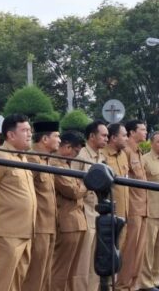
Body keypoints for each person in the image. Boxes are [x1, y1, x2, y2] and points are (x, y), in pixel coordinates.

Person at [0, 114, 37, 291]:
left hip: (25, 232)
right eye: (24, 130)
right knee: (0, 283)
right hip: (7, 234)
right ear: (10, 135)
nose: (29, 134)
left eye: (29, 130)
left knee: (17, 283)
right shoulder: (0, 156)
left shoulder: (22, 157)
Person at [71, 119, 109, 290]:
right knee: (83, 264)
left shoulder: (102, 157)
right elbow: (75, 187)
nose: (106, 139)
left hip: (99, 214)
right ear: (92, 136)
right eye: (103, 135)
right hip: (85, 214)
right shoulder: (81, 158)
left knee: (96, 261)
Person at [22, 121, 60, 291]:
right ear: (45, 139)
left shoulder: (46, 160)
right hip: (38, 226)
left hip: (50, 225)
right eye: (56, 136)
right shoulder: (32, 159)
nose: (59, 140)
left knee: (45, 274)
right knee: (34, 274)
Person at [51, 131, 88, 291]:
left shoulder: (65, 164)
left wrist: (80, 186)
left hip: (76, 220)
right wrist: (85, 184)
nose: (76, 155)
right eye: (76, 151)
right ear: (67, 147)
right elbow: (73, 191)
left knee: (71, 270)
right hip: (67, 222)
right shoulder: (56, 164)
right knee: (60, 269)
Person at [138, 132, 159, 291]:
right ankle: (145, 283)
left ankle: (156, 280)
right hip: (150, 211)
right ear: (151, 143)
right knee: (148, 248)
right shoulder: (144, 160)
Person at [116, 119, 149, 291]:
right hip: (133, 207)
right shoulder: (126, 152)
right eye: (142, 130)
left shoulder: (139, 152)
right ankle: (123, 285)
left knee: (139, 251)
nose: (145, 132)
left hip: (143, 207)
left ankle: (133, 285)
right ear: (131, 132)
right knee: (130, 249)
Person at [100, 123, 129, 242]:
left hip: (124, 211)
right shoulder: (102, 155)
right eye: (124, 135)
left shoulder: (123, 155)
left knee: (120, 248)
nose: (127, 138)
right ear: (114, 138)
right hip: (108, 213)